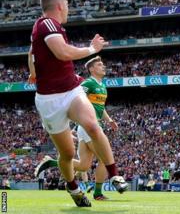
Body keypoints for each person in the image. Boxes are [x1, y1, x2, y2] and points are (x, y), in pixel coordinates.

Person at [29, 0, 126, 207]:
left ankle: (114, 174)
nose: (69, 10)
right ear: (60, 6)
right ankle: (72, 187)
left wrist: (33, 71)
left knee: (93, 125)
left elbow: (31, 53)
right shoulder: (47, 24)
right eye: (67, 5)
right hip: (49, 100)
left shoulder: (45, 28)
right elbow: (63, 53)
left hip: (71, 89)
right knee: (67, 153)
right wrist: (92, 49)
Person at [35, 56, 126, 201]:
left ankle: (51, 162)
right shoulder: (88, 83)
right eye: (100, 65)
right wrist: (69, 125)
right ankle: (97, 193)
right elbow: (73, 101)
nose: (104, 67)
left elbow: (100, 108)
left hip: (88, 128)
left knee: (84, 166)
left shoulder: (102, 86)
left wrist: (109, 120)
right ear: (91, 69)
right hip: (89, 126)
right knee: (105, 159)